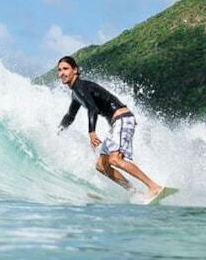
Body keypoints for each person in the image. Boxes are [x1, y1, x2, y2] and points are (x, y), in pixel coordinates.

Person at [56, 56, 163, 200]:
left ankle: (154, 187)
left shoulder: (81, 86)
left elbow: (92, 108)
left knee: (115, 160)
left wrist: (91, 132)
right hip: (117, 123)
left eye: (65, 69)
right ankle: (136, 193)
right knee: (102, 165)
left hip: (123, 119)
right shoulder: (76, 93)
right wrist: (58, 131)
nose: (62, 73)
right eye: (59, 70)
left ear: (75, 70)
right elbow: (70, 115)